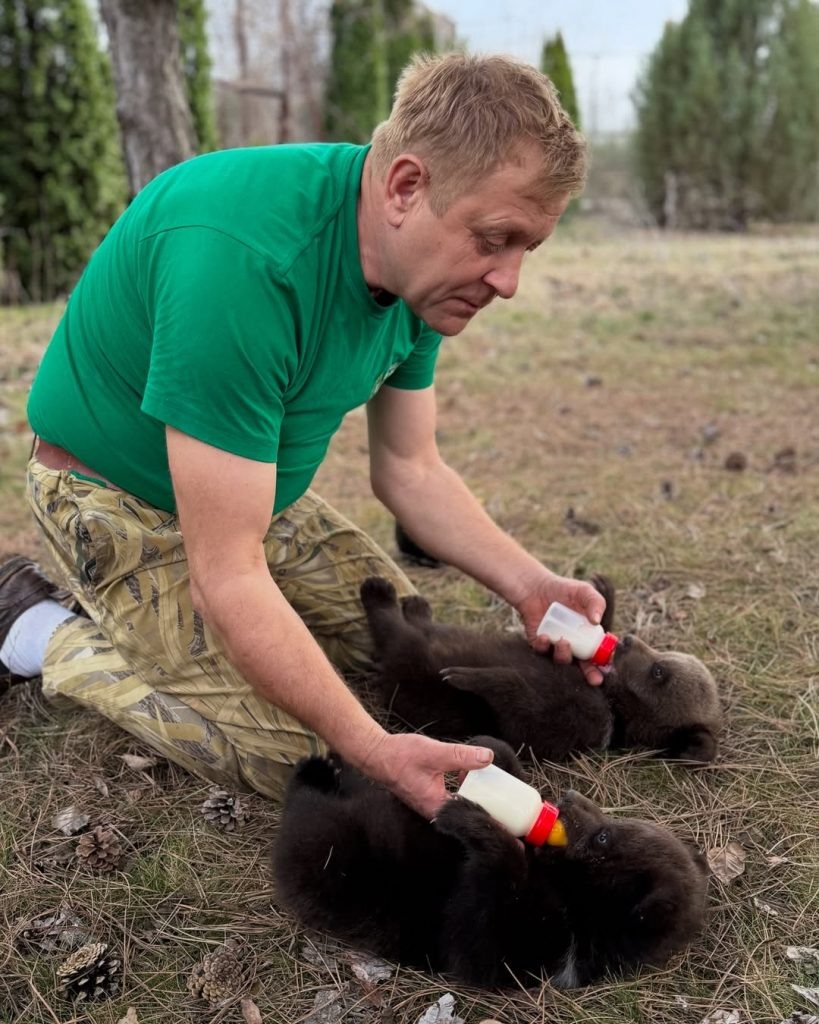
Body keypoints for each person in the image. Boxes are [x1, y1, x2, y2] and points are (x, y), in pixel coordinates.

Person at [0, 52, 605, 820]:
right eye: (495, 239)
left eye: (528, 249)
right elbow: (227, 577)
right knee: (298, 759)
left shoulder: (422, 277)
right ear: (406, 187)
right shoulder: (243, 261)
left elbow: (411, 471)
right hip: (114, 498)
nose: (509, 280)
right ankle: (36, 626)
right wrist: (372, 748)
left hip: (250, 499)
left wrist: (530, 585)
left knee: (409, 654)